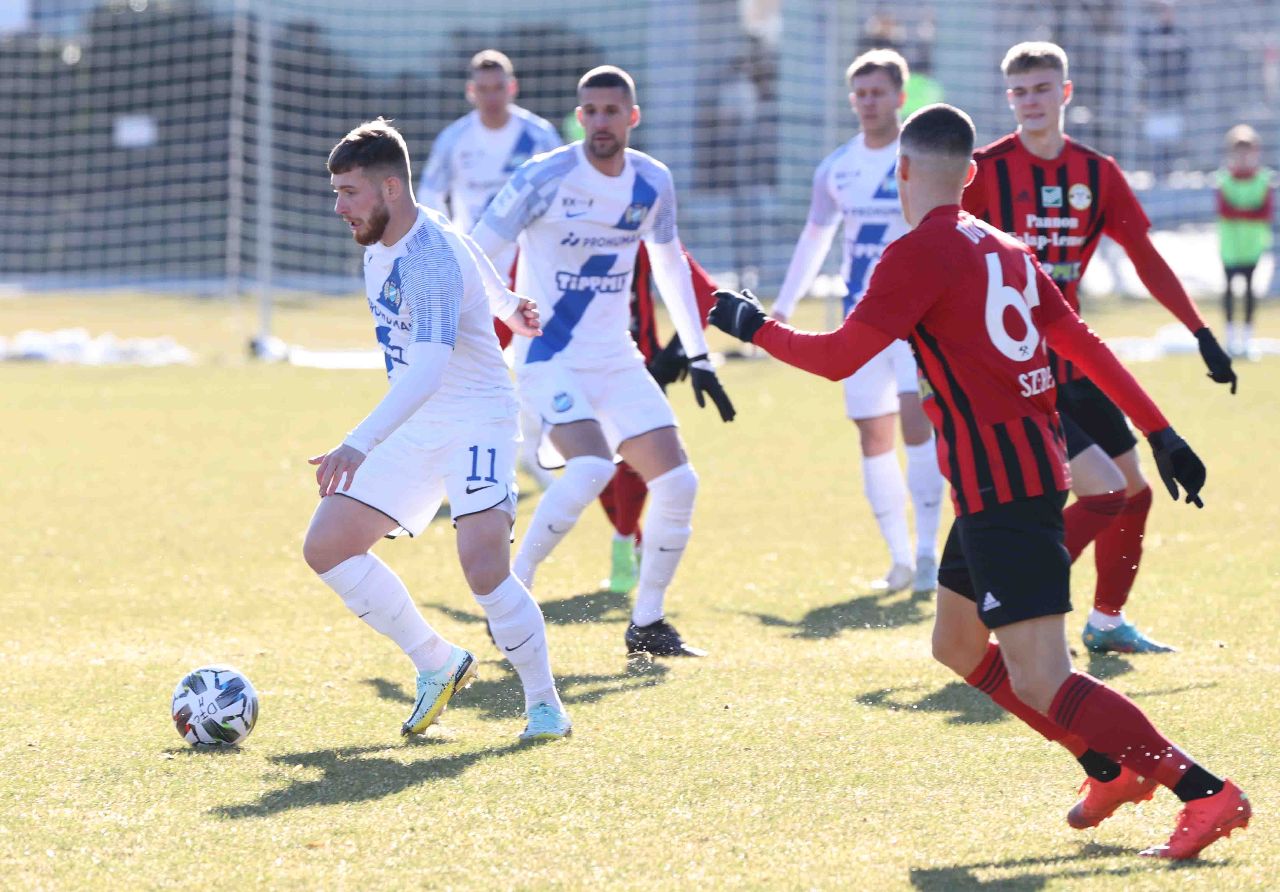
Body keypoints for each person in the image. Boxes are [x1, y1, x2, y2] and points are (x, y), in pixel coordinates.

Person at [710, 103, 1250, 861]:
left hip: (1006, 488)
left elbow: (836, 359)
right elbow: (1081, 341)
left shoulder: (915, 254)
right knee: (957, 644)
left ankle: (1204, 792)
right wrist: (1159, 431)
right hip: (1009, 478)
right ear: (970, 175)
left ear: (901, 170)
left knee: (1041, 677)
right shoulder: (1005, 246)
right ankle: (1109, 768)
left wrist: (754, 326)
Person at [961, 41, 1237, 655]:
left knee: (1135, 494)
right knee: (1099, 493)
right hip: (1016, 371)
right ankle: (998, 599)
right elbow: (943, 253)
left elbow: (1146, 258)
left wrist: (1200, 332)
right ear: (1008, 98)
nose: (1030, 101)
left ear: (1065, 92)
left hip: (1075, 361)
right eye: (1019, 91)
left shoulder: (1097, 173)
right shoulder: (984, 171)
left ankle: (1106, 624)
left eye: (1042, 88)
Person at [303, 118, 571, 742]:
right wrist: (506, 303)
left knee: (483, 569)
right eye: (337, 192)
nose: (339, 207)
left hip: (478, 419)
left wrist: (357, 443)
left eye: (349, 192)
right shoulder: (390, 239)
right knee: (327, 546)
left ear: (390, 188)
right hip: (417, 420)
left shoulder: (428, 260)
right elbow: (466, 242)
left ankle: (545, 706)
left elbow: (427, 368)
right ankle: (437, 662)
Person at [472, 65, 735, 658]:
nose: (599, 122)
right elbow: (474, 248)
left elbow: (669, 265)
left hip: (616, 357)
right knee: (591, 467)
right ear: (578, 116)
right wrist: (506, 305)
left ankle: (648, 624)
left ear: (632, 117)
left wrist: (699, 355)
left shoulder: (652, 181)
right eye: (589, 111)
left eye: (611, 111)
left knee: (679, 482)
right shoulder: (544, 177)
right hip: (548, 355)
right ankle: (512, 593)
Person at [770, 48, 944, 595]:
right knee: (872, 433)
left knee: (918, 423)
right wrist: (785, 304)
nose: (869, 103)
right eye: (861, 94)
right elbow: (815, 238)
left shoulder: (921, 158)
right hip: (860, 320)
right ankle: (899, 558)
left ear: (900, 97)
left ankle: (928, 553)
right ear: (852, 100)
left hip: (917, 319)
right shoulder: (837, 168)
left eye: (879, 93)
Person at [417, 49, 564, 491]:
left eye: (498, 87)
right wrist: (446, 251)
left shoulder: (539, 136)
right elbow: (429, 197)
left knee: (536, 362)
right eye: (483, 89)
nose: (491, 96)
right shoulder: (454, 139)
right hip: (475, 275)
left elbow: (564, 192)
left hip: (530, 270)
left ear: (512, 88)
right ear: (470, 92)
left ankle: (534, 453)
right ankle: (451, 460)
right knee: (463, 369)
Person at [599, 243, 720, 594]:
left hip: (638, 369)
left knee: (634, 466)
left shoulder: (641, 231)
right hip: (573, 369)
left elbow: (705, 295)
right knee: (590, 467)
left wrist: (680, 350)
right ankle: (630, 542)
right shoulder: (553, 228)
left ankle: (626, 544)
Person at [1215, 124, 1275, 357]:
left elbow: (1264, 212)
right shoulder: (1224, 179)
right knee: (1229, 289)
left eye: (1247, 152)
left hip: (1252, 246)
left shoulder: (1263, 179)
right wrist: (1248, 212)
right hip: (1230, 247)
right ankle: (1230, 338)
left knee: (1250, 289)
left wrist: (1240, 213)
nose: (1243, 157)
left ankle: (1247, 338)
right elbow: (1224, 210)